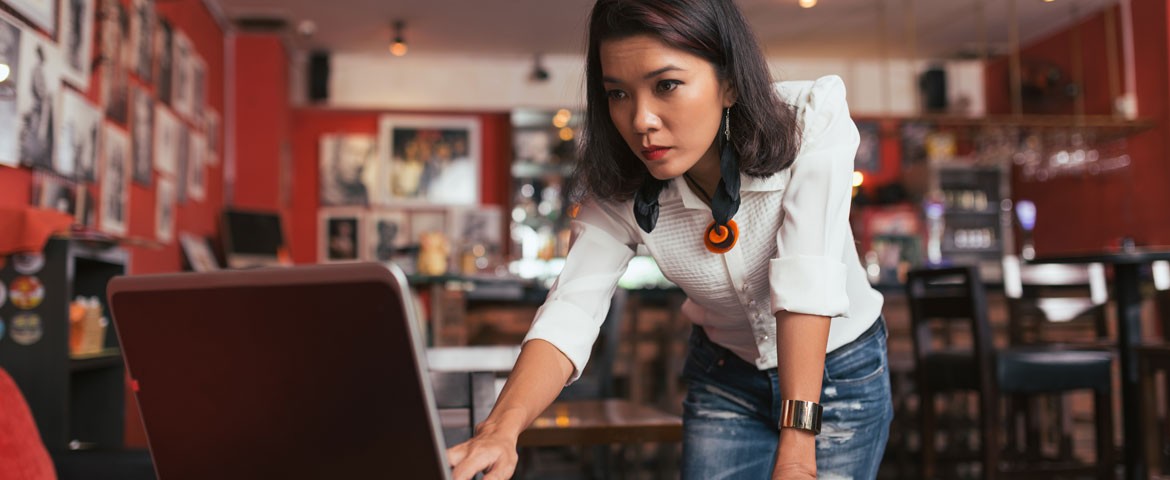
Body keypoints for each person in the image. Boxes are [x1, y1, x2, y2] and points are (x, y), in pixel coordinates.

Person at [446, 0, 891, 479]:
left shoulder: (809, 120)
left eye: (666, 85)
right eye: (617, 93)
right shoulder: (618, 183)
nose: (640, 120)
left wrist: (799, 454)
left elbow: (807, 278)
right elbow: (570, 309)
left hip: (836, 374)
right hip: (726, 375)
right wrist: (500, 430)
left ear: (730, 81)